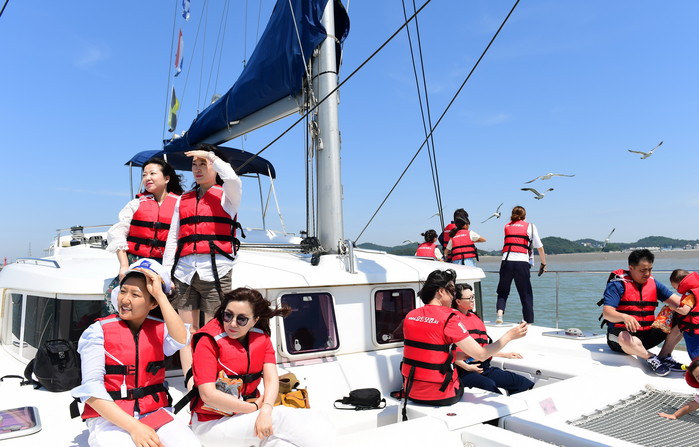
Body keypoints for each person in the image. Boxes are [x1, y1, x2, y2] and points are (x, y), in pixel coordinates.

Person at [72, 258, 200, 447]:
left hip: (155, 411)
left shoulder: (161, 329)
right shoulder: (97, 332)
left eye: (135, 294)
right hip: (110, 418)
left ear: (152, 304)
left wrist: (160, 295)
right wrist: (135, 428)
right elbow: (91, 391)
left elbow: (181, 339)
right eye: (123, 291)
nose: (125, 299)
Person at [189, 287, 334, 447]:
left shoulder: (261, 338)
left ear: (255, 320)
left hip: (246, 417)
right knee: (282, 417)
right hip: (211, 424)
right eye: (228, 315)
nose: (232, 323)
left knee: (283, 441)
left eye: (241, 319)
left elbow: (271, 379)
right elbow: (208, 395)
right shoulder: (207, 341)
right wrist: (253, 408)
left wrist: (265, 409)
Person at [163, 144, 243, 385]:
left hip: (216, 273)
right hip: (184, 273)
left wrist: (211, 156)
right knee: (185, 331)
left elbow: (233, 179)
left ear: (215, 166)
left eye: (203, 164)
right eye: (194, 164)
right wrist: (166, 274)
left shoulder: (228, 196)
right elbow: (173, 237)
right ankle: (190, 381)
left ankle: (209, 380)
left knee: (212, 331)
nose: (197, 169)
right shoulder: (182, 200)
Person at [400, 269, 527, 407]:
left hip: (411, 391)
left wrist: (464, 355)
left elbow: (431, 353)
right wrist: (509, 336)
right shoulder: (449, 318)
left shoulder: (410, 316)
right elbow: (481, 354)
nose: (453, 296)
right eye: (452, 291)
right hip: (441, 394)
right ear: (441, 291)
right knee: (493, 389)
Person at [104, 157, 184, 314]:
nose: (147, 178)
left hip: (166, 265)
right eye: (144, 175)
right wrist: (124, 265)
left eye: (152, 173)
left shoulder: (180, 204)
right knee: (117, 299)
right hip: (136, 262)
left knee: (163, 307)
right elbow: (117, 233)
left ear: (167, 178)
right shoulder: (136, 204)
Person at [601, 249, 684, 376]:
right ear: (631, 268)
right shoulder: (617, 284)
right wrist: (624, 317)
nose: (647, 274)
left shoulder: (652, 283)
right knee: (624, 337)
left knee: (685, 315)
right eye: (643, 270)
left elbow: (678, 302)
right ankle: (651, 357)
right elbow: (607, 313)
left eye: (650, 269)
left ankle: (664, 356)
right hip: (621, 339)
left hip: (647, 336)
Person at [452, 284, 534, 395]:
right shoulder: (452, 321)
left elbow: (482, 350)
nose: (473, 300)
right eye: (469, 298)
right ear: (458, 301)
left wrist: (505, 355)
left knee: (523, 383)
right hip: (464, 372)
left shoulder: (474, 317)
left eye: (473, 296)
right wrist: (467, 367)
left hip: (485, 368)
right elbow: (448, 353)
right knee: (488, 384)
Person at [495, 205, 547, 324]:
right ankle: (528, 321)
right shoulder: (530, 226)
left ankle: (499, 315)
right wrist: (543, 263)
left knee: (503, 291)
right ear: (524, 216)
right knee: (525, 293)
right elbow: (540, 247)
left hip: (506, 261)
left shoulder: (507, 226)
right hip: (521, 262)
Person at [669, 269, 699, 360]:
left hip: (693, 330)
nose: (676, 290)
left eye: (675, 287)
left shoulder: (690, 296)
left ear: (681, 284)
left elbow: (684, 311)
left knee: (694, 351)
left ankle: (696, 367)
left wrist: (673, 308)